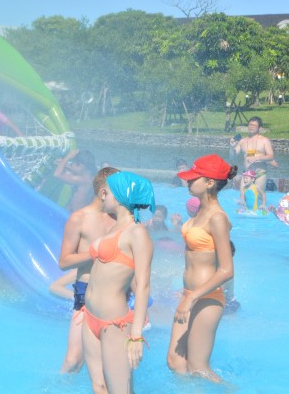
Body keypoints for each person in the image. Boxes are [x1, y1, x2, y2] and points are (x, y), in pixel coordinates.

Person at [80, 171, 155, 394]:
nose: (103, 196)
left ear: (122, 195)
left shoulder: (137, 233)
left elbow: (142, 284)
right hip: (90, 316)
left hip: (114, 323)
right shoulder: (113, 227)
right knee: (99, 386)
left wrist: (136, 334)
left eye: (108, 191)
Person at [167, 154, 236, 383]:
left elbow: (227, 270)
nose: (188, 181)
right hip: (190, 295)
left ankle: (230, 389)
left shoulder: (218, 218)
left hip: (207, 297)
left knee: (198, 368)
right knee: (176, 362)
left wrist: (193, 296)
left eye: (194, 178)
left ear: (209, 183)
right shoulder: (199, 213)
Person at [56, 167, 119, 376]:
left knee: (108, 365)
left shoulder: (120, 219)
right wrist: (95, 253)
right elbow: (64, 262)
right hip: (85, 292)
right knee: (73, 360)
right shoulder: (79, 218)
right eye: (119, 191)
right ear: (104, 193)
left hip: (115, 293)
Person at [230, 116, 275, 192]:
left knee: (257, 199)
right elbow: (233, 156)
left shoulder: (264, 141)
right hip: (246, 174)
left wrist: (257, 158)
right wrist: (232, 147)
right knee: (242, 199)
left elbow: (271, 156)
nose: (251, 127)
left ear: (259, 128)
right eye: (250, 125)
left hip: (259, 174)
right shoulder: (242, 141)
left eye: (254, 125)